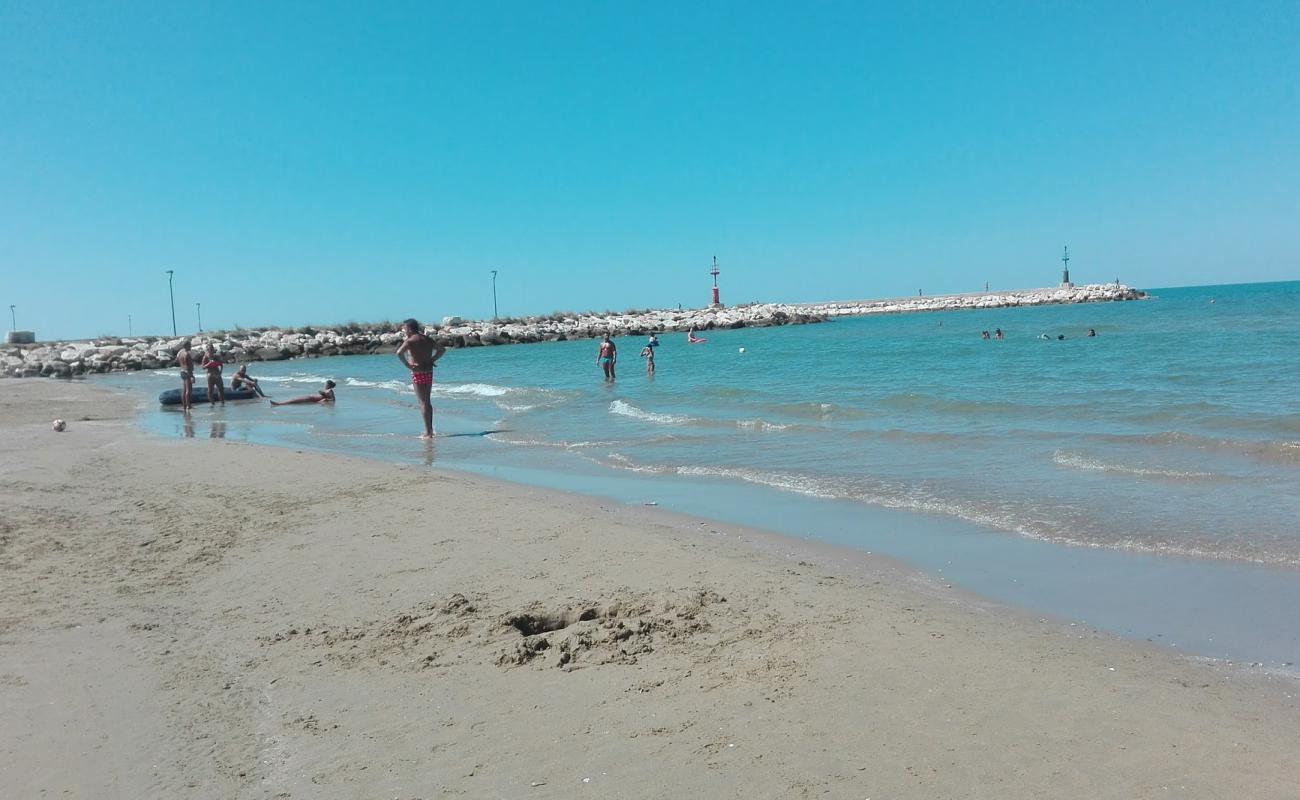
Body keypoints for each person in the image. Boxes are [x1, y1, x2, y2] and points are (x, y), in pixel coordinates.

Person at [395, 318, 446, 438]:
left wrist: (408, 365)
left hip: (417, 372)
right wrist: (432, 359)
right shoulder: (427, 339)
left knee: (422, 402)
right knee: (427, 401)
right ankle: (430, 430)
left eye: (405, 329)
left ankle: (428, 432)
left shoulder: (410, 341)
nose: (404, 331)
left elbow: (399, 353)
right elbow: (442, 350)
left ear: (409, 328)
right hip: (428, 370)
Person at [270, 380, 335, 406]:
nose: (324, 385)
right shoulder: (327, 390)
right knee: (294, 400)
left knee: (294, 401)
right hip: (310, 398)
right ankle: (279, 403)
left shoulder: (330, 390)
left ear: (329, 385)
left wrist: (324, 400)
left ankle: (279, 404)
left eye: (325, 384)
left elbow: (333, 399)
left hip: (311, 399)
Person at [175, 339, 195, 413]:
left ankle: (184, 405)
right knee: (188, 390)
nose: (191, 346)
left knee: (184, 390)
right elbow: (188, 366)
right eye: (189, 345)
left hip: (182, 371)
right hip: (187, 372)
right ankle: (188, 406)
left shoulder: (180, 354)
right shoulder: (187, 354)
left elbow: (179, 363)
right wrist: (192, 375)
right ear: (186, 346)